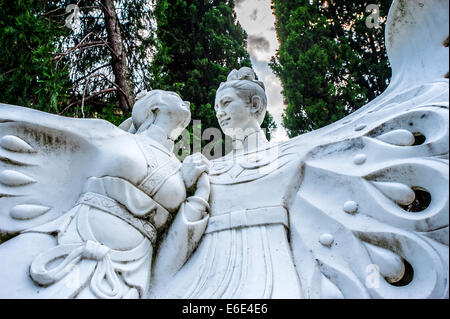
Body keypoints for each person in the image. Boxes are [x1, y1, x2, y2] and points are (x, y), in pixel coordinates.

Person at [0, 90, 211, 299]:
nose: (187, 102)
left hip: (129, 271)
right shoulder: (112, 136)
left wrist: (196, 189)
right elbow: (50, 133)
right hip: (67, 238)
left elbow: (176, 240)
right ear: (154, 107)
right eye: (174, 97)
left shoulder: (181, 168)